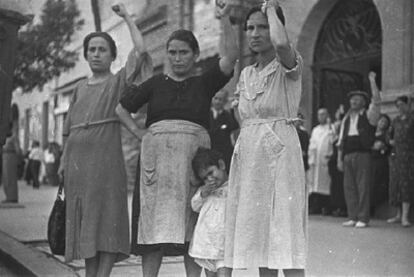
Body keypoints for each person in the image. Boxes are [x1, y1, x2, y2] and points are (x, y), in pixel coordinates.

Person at [116, 4, 238, 277]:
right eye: (172, 53)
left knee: (192, 228)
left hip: (191, 165)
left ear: (195, 55)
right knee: (153, 233)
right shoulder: (156, 83)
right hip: (156, 167)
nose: (177, 58)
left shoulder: (203, 83)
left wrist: (225, 17)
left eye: (184, 52)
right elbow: (121, 109)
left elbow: (230, 56)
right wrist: (140, 134)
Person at [60, 4, 152, 276]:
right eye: (92, 50)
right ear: (86, 55)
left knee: (108, 218)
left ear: (113, 55)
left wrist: (126, 18)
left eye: (102, 49)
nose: (96, 54)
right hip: (78, 166)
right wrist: (63, 162)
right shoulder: (78, 88)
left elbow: (141, 51)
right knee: (87, 222)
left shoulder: (117, 83)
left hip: (106, 163)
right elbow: (67, 130)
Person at [224, 1, 306, 276]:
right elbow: (244, 117)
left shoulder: (287, 64)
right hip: (251, 157)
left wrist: (271, 7)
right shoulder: (246, 74)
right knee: (260, 236)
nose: (255, 33)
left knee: (285, 231)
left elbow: (282, 44)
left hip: (280, 154)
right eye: (250, 28)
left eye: (263, 27)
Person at [337, 71, 381, 228]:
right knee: (349, 187)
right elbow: (341, 140)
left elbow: (377, 101)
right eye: (352, 99)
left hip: (362, 154)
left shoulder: (369, 115)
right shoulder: (346, 119)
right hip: (348, 155)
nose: (354, 101)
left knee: (363, 187)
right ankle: (353, 216)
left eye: (358, 99)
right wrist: (339, 159)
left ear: (363, 102)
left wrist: (372, 81)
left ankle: (363, 218)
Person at [189, 148, 229, 277]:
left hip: (225, 245)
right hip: (207, 245)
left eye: (211, 172)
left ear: (221, 165)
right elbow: (195, 206)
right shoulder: (205, 191)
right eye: (205, 178)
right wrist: (203, 193)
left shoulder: (234, 187)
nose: (210, 179)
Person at [387, 96, 414, 227]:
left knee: (406, 183)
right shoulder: (395, 120)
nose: (400, 108)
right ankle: (398, 214)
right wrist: (390, 141)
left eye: (402, 104)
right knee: (395, 183)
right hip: (396, 154)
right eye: (398, 105)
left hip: (409, 155)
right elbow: (389, 134)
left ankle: (405, 216)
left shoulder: (412, 119)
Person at [308, 108, 336, 215]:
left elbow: (333, 139)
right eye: (319, 115)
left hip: (326, 160)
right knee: (315, 184)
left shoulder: (331, 128)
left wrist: (330, 127)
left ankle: (327, 207)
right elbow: (312, 145)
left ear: (327, 115)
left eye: (323, 114)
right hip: (316, 161)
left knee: (326, 184)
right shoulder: (315, 129)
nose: (321, 117)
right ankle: (316, 207)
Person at [209, 90, 239, 171]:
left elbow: (234, 126)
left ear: (225, 102)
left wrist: (232, 111)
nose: (218, 102)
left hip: (224, 150)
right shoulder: (207, 114)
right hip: (210, 148)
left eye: (220, 99)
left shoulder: (226, 115)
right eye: (216, 98)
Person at [370, 114, 391, 216]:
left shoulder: (386, 136)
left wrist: (383, 148)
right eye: (381, 121)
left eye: (385, 123)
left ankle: (373, 207)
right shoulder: (371, 133)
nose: (382, 124)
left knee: (376, 184)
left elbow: (389, 151)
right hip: (369, 160)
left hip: (380, 161)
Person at [329, 105, 347, 217]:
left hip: (340, 156)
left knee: (340, 185)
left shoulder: (343, 125)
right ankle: (337, 206)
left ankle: (342, 207)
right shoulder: (335, 126)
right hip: (334, 157)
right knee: (336, 185)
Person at [2, 123, 21, 203]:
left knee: (11, 177)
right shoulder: (7, 137)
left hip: (11, 157)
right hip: (6, 157)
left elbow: (18, 150)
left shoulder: (14, 137)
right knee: (6, 177)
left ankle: (12, 197)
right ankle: (8, 196)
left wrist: (19, 159)